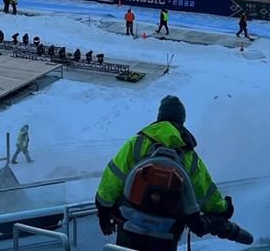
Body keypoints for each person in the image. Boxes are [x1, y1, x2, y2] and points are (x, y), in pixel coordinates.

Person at [95, 96, 235, 251]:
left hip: (130, 224)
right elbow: (206, 194)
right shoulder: (190, 157)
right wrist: (224, 208)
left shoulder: (137, 143)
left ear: (160, 117)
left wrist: (103, 211)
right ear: (182, 120)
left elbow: (112, 177)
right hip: (167, 231)